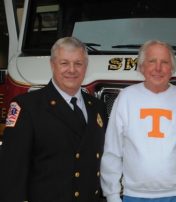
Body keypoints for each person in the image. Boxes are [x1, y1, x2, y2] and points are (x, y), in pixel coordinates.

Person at [100, 40, 176, 202]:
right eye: (152, 61)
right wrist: (112, 194)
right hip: (134, 195)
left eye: (164, 62)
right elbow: (112, 150)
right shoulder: (126, 98)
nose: (158, 68)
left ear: (172, 68)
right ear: (141, 67)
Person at [0, 37, 107, 202]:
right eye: (64, 63)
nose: (72, 70)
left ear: (85, 67)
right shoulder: (27, 106)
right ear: (52, 65)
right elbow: (12, 169)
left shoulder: (97, 107)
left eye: (78, 63)